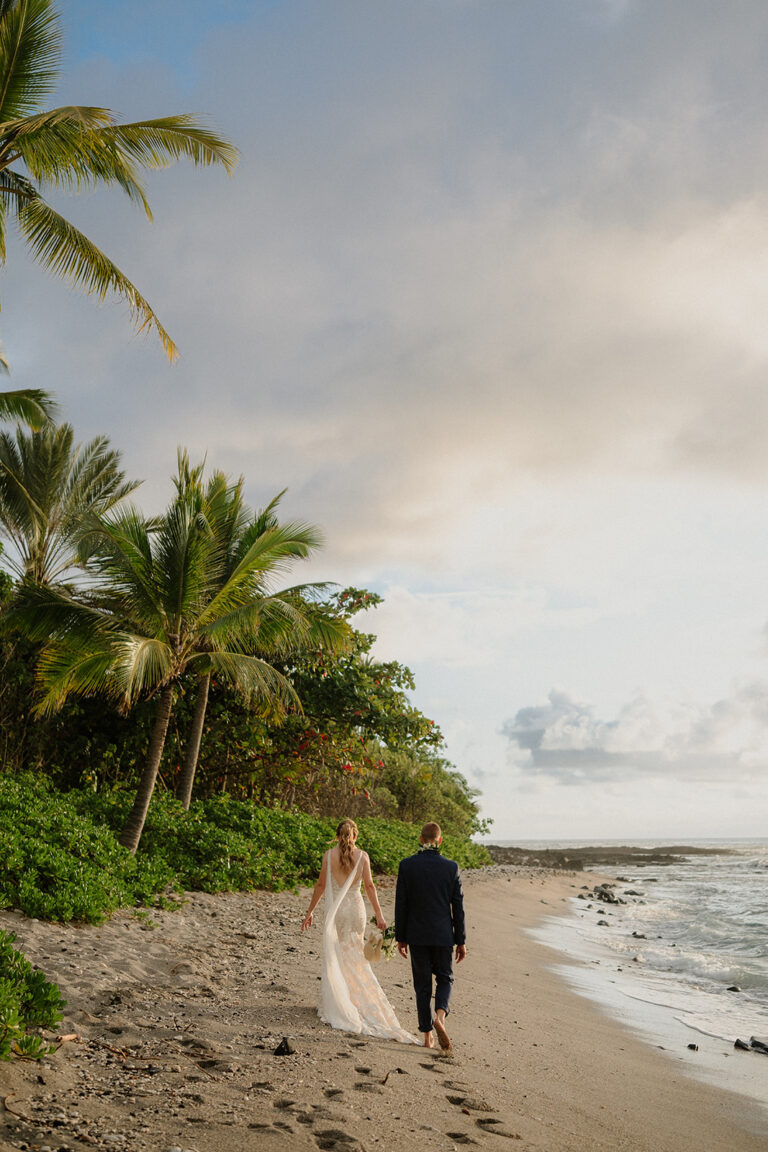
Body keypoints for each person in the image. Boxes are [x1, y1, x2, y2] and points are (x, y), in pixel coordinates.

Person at [301, 819, 416, 1043]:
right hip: (356, 910)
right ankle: (357, 998)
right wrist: (380, 915)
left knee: (338, 953)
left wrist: (310, 912)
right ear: (355, 835)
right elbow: (370, 886)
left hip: (338, 912)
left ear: (337, 836)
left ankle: (340, 1000)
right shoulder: (362, 856)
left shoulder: (328, 856)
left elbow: (321, 886)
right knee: (355, 954)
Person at [394, 821, 466, 1049]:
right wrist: (461, 940)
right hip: (444, 934)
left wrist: (401, 936)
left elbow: (401, 904)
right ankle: (440, 1017)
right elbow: (458, 908)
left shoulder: (407, 866)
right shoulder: (451, 867)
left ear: (420, 838)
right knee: (445, 977)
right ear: (440, 840)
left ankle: (427, 1036)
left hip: (417, 934)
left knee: (422, 985)